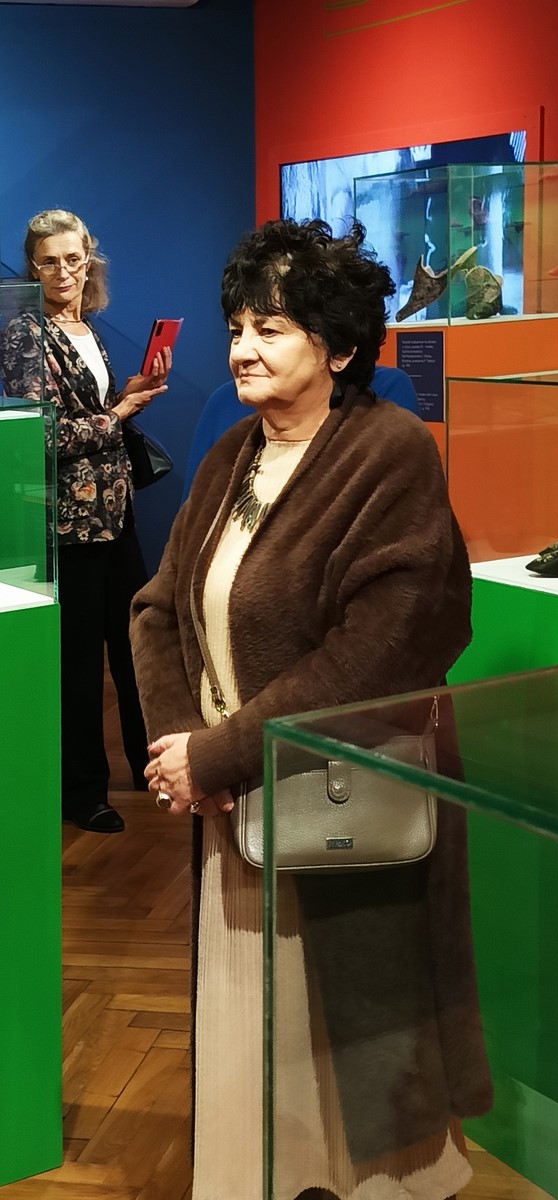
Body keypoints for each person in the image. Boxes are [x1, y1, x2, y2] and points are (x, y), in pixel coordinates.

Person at [129, 218, 491, 1200]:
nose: (243, 349)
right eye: (237, 327)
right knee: (257, 1045)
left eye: (272, 328)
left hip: (342, 804)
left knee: (359, 1056)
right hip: (231, 805)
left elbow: (385, 647)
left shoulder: (388, 453)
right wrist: (180, 744)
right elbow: (158, 607)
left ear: (336, 346)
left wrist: (220, 754)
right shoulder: (232, 455)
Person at [0, 209, 171, 833]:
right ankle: (82, 793)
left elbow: (89, 413)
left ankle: (151, 767)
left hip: (114, 511)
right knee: (77, 665)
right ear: (33, 267)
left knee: (135, 646)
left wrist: (131, 393)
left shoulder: (85, 327)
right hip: (67, 524)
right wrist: (118, 414)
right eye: (49, 261)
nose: (63, 272)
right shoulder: (25, 333)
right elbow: (42, 435)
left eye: (73, 259)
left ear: (89, 258)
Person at [182, 364, 419, 498]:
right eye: (237, 332)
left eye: (269, 332)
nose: (241, 352)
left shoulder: (385, 392)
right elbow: (190, 525)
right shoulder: (224, 402)